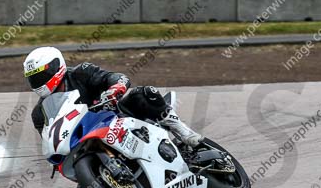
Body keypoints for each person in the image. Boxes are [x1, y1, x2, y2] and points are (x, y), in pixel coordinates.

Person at [24, 46, 202, 146]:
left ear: (57, 67)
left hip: (119, 117)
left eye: (41, 75)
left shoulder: (81, 73)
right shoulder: (40, 114)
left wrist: (115, 88)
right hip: (89, 142)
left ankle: (182, 131)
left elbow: (115, 77)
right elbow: (51, 142)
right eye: (33, 78)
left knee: (145, 93)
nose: (38, 81)